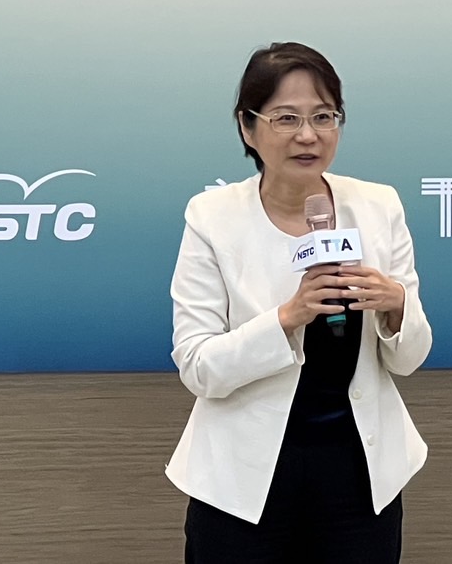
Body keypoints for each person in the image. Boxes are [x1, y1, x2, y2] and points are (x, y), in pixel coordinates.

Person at [166, 42, 432, 564]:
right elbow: (198, 367)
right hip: (242, 480)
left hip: (359, 475)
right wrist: (287, 318)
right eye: (286, 118)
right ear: (248, 128)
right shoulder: (212, 217)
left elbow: (408, 359)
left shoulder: (378, 206)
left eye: (324, 116)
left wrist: (397, 305)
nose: (308, 135)